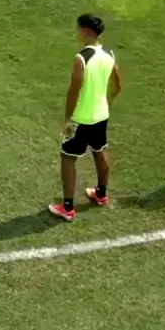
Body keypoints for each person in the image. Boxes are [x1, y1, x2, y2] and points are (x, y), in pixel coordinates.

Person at [49, 13, 121, 221]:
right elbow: (118, 82)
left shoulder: (81, 58)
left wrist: (68, 119)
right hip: (101, 115)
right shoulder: (109, 53)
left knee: (68, 157)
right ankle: (101, 194)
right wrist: (109, 100)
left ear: (86, 31)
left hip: (81, 118)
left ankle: (68, 207)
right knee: (100, 150)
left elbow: (74, 91)